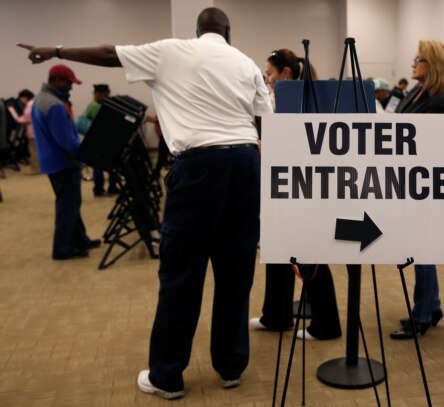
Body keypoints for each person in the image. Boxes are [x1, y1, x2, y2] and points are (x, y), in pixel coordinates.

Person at [18, 7, 272, 400]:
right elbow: (263, 121)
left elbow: (107, 53)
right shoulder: (246, 62)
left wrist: (55, 50)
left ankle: (167, 376)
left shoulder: (171, 50)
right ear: (228, 32)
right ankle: (231, 365)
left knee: (182, 273)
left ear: (196, 30)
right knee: (236, 270)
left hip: (200, 166)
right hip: (245, 164)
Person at [249, 48, 342, 341]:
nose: (266, 78)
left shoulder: (294, 103)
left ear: (285, 74)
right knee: (278, 252)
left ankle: (326, 325)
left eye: (270, 73)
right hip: (283, 188)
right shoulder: (284, 101)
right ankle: (275, 316)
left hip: (301, 190)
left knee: (308, 255)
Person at [390, 40, 444, 340]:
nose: (413, 63)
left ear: (433, 65)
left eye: (419, 59)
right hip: (406, 180)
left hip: (424, 184)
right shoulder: (413, 94)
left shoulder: (442, 102)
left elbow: (435, 148)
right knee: (419, 250)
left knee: (422, 250)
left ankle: (422, 315)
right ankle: (432, 306)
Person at [29, 64, 101, 259]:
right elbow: (67, 141)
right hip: (63, 162)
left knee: (71, 204)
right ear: (57, 80)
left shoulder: (41, 100)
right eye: (69, 83)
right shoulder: (54, 105)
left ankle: (80, 239)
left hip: (52, 161)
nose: (71, 87)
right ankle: (62, 249)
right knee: (67, 206)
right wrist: (88, 155)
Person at [82, 84, 120, 196]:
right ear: (99, 94)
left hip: (100, 140)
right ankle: (100, 189)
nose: (108, 96)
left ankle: (106, 187)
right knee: (100, 167)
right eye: (106, 94)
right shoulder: (95, 106)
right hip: (99, 140)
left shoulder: (95, 105)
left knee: (104, 166)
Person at [7, 89, 37, 174]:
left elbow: (25, 118)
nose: (21, 100)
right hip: (34, 130)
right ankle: (37, 167)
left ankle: (35, 169)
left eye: (21, 98)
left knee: (32, 150)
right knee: (35, 150)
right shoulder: (33, 103)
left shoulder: (29, 105)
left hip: (32, 131)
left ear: (25, 97)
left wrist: (15, 116)